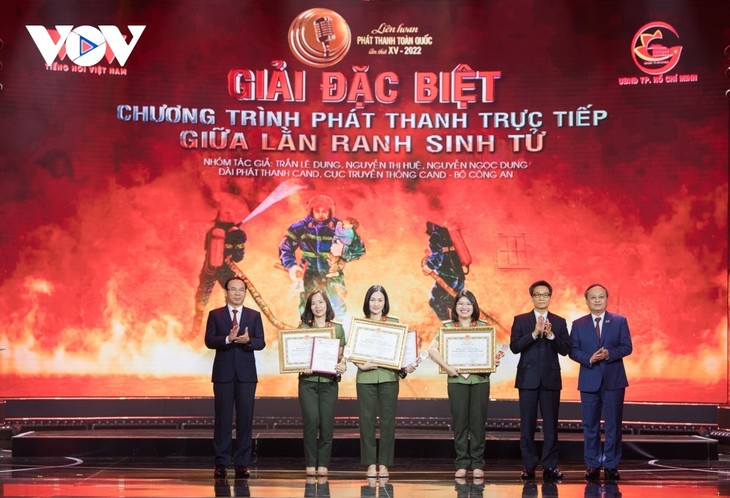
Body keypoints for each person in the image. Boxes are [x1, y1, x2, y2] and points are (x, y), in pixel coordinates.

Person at [428, 290, 502, 479]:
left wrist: (493, 361)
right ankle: (461, 463)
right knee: (460, 423)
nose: (464, 307)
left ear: (474, 307)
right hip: (457, 381)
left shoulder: (484, 327)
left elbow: (490, 355)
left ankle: (477, 463)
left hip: (480, 381)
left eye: (468, 304)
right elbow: (431, 350)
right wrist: (448, 368)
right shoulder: (447, 328)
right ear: (455, 307)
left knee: (478, 423)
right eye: (460, 303)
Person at [569, 283, 632, 482]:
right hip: (589, 381)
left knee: (613, 425)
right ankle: (593, 465)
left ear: (607, 299)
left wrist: (609, 354)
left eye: (601, 297)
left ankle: (611, 465)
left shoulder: (619, 321)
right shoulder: (578, 324)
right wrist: (589, 358)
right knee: (590, 426)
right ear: (587, 300)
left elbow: (627, 347)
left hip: (614, 381)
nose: (597, 300)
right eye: (593, 297)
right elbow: (573, 350)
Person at [205, 276, 266, 479]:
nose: (237, 293)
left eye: (241, 290)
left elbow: (261, 342)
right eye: (233, 289)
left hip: (246, 375)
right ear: (226, 292)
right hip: (223, 375)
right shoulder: (215, 315)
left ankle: (242, 463)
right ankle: (221, 463)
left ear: (245, 293)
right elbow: (209, 340)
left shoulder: (254, 315)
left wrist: (248, 341)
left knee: (245, 420)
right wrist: (227, 339)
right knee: (222, 420)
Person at [352, 284, 416, 479]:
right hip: (366, 379)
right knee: (367, 421)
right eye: (373, 300)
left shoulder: (394, 323)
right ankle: (370, 464)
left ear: (385, 302)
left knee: (388, 421)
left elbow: (402, 350)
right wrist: (360, 365)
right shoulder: (360, 323)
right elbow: (351, 350)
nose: (376, 304)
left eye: (380, 300)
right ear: (367, 302)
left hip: (389, 378)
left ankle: (384, 464)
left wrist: (407, 365)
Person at [510, 280, 570, 481]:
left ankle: (550, 466)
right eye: (538, 294)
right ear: (532, 297)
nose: (542, 298)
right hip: (527, 379)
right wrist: (535, 334)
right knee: (527, 425)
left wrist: (551, 335)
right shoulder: (521, 320)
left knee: (551, 426)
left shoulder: (559, 322)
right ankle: (529, 466)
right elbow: (515, 347)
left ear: (550, 297)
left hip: (551, 379)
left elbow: (565, 349)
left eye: (545, 294)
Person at [279, 194, 365, 320]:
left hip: (332, 273)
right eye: (317, 211)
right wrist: (291, 266)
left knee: (338, 306)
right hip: (308, 273)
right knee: (307, 305)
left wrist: (343, 250)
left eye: (324, 211)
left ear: (330, 211)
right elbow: (285, 248)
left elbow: (359, 249)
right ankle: (307, 328)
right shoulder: (300, 228)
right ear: (311, 211)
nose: (320, 214)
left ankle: (340, 329)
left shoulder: (341, 228)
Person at [297, 290, 347, 477]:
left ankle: (324, 464)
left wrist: (342, 366)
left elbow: (341, 357)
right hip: (307, 383)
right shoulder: (303, 328)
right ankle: (310, 463)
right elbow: (296, 356)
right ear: (309, 307)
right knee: (311, 422)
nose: (317, 306)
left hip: (329, 383)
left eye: (321, 302)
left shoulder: (337, 329)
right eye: (313, 303)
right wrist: (301, 366)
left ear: (327, 304)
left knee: (326, 424)